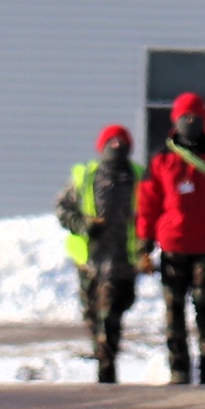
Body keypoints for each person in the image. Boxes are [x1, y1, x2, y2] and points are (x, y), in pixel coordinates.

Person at [136, 92, 205, 385]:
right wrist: (143, 245)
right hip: (172, 247)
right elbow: (148, 204)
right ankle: (179, 370)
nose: (191, 122)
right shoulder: (160, 159)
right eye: (186, 116)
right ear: (176, 118)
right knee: (174, 313)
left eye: (196, 117)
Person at [55, 124, 144, 384]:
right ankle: (103, 357)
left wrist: (145, 248)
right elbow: (62, 208)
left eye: (122, 143)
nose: (116, 147)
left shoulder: (139, 177)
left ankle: (107, 370)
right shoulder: (85, 177)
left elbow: (150, 212)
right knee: (93, 315)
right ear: (101, 146)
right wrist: (83, 225)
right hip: (89, 262)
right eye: (111, 142)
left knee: (111, 316)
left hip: (123, 262)